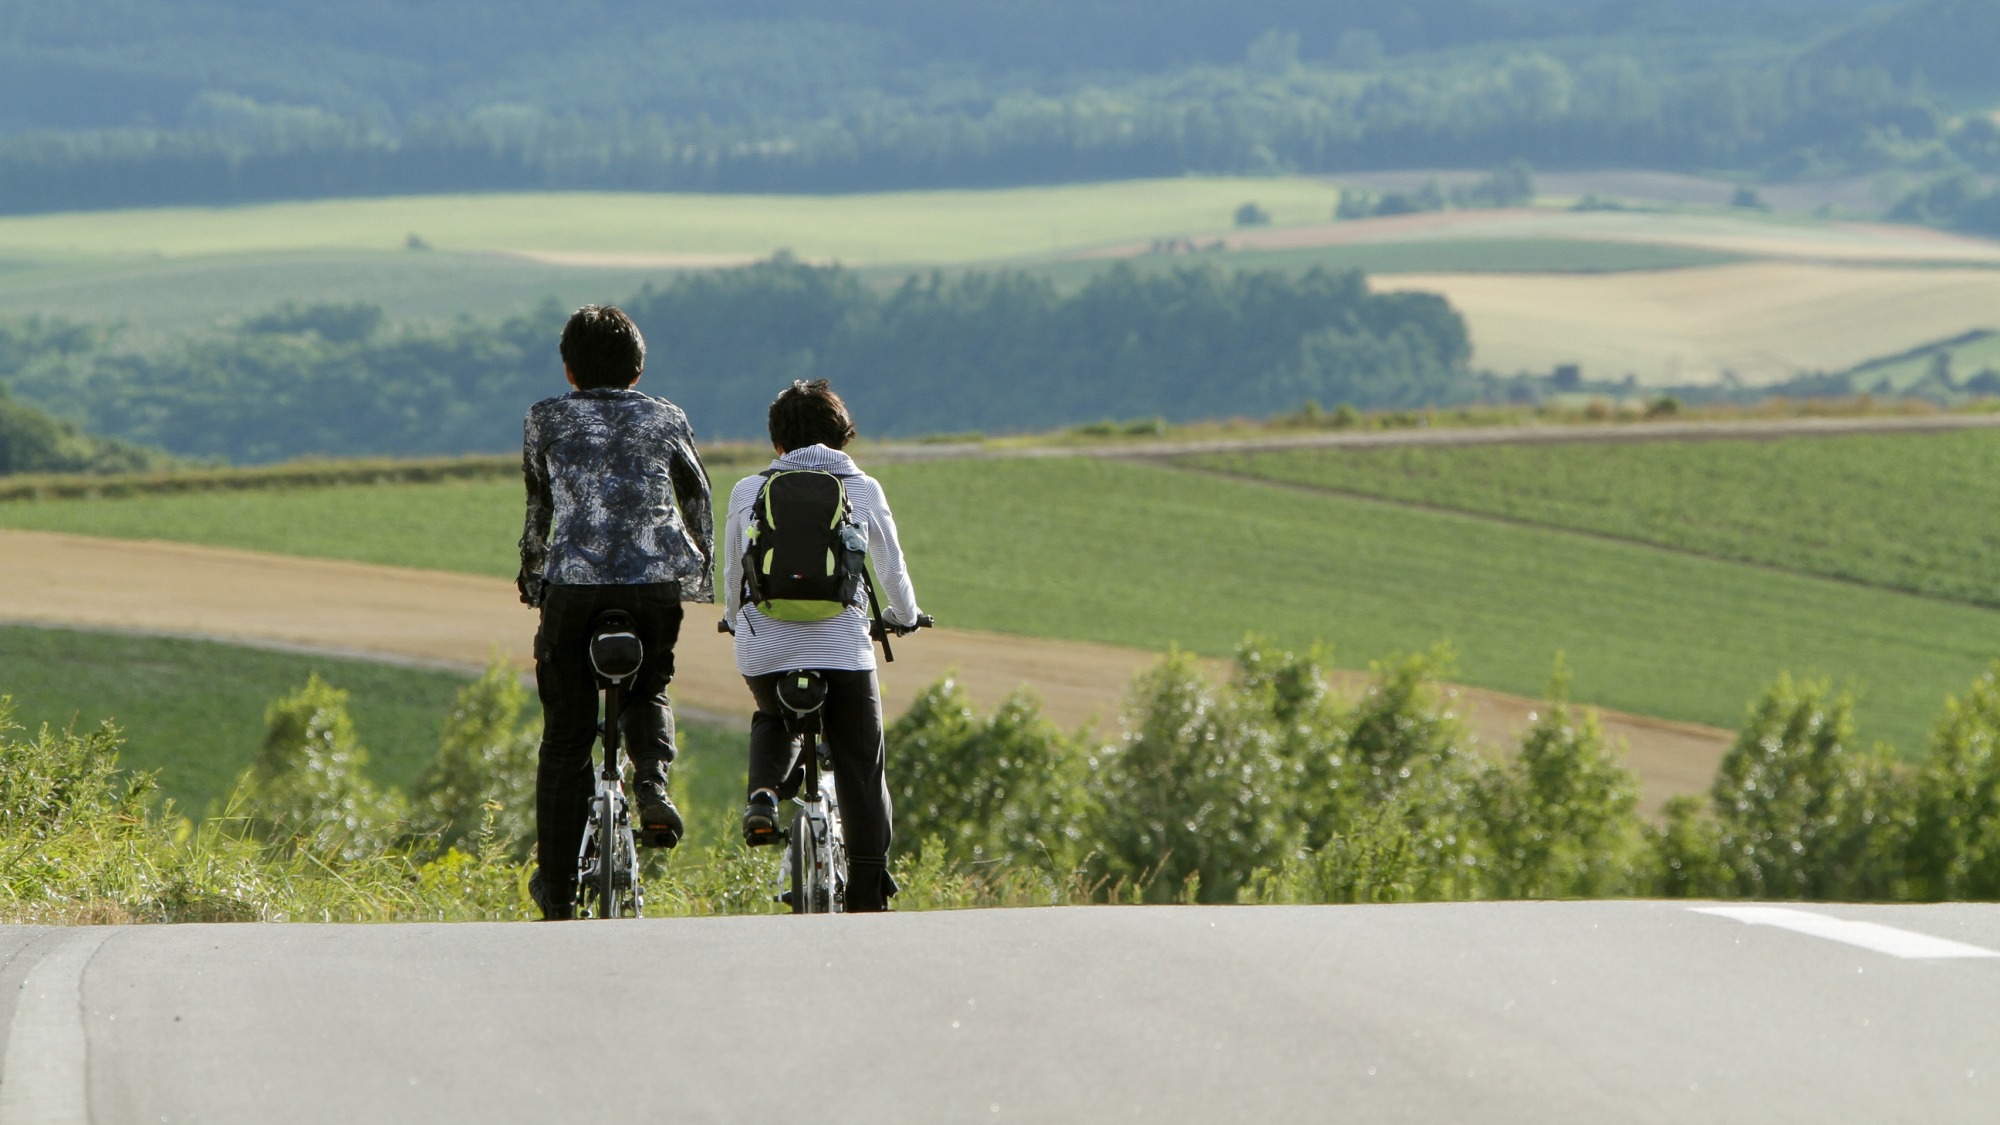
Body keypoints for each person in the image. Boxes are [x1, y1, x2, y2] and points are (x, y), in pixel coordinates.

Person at [517, 305, 712, 921]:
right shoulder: (666, 417)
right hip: (652, 586)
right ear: (638, 369)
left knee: (565, 741)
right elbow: (697, 496)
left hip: (573, 588)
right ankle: (651, 781)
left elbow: (538, 508)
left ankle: (557, 890)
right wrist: (697, 574)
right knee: (649, 685)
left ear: (569, 370)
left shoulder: (546, 417)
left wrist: (534, 580)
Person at [721, 379, 922, 912]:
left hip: (766, 649)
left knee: (772, 714)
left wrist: (732, 621)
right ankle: (867, 889)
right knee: (861, 759)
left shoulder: (748, 490)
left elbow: (732, 573)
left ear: (777, 443)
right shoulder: (861, 488)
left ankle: (764, 794)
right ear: (841, 438)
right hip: (842, 650)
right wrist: (904, 617)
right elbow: (890, 565)